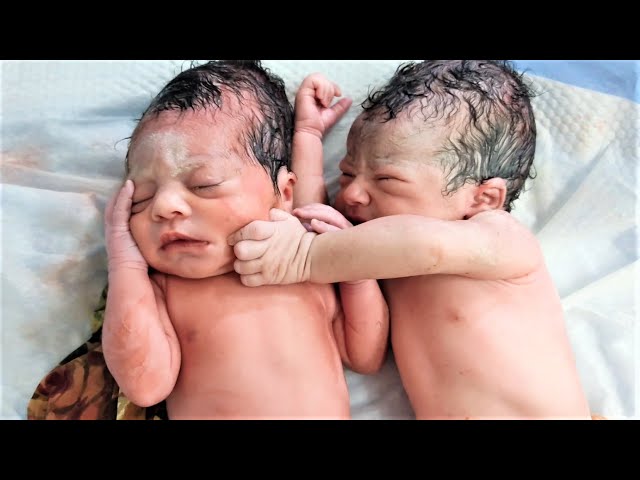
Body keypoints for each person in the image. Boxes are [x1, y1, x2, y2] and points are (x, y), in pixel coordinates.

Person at [229, 60, 594, 420]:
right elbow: (316, 221)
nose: (352, 193)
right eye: (346, 173)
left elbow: (423, 246)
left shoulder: (502, 239)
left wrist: (306, 255)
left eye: (387, 180)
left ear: (482, 198)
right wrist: (307, 137)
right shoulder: (368, 255)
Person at [102, 60, 388, 420]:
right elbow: (145, 386)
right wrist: (124, 264)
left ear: (282, 193)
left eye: (204, 184)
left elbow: (366, 356)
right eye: (141, 198)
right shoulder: (164, 290)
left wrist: (354, 269)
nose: (164, 206)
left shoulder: (303, 258)